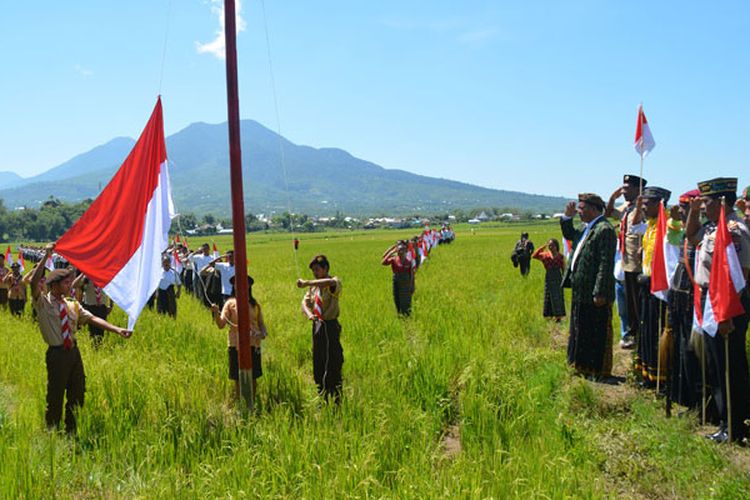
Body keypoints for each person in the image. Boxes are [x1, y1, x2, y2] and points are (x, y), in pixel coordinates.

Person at [30, 244, 131, 434]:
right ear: (54, 285)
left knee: (78, 392)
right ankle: (52, 431)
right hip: (57, 354)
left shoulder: (72, 304)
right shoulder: (43, 303)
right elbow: (34, 283)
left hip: (73, 353)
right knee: (56, 394)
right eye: (66, 283)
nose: (70, 286)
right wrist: (46, 256)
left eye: (70, 282)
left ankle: (71, 429)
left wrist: (116, 329)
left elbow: (92, 318)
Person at [686, 177, 750, 443]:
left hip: (728, 304)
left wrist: (726, 314)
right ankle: (726, 421)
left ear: (722, 202)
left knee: (729, 365)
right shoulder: (713, 227)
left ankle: (734, 426)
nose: (703, 207)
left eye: (707, 202)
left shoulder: (734, 230)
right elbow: (691, 236)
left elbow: (740, 276)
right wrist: (692, 211)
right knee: (715, 362)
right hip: (711, 301)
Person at [560, 193, 616, 378]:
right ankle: (580, 365)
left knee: (594, 330)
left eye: (581, 209)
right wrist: (567, 217)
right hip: (581, 290)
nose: (579, 212)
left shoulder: (604, 229)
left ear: (593, 209)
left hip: (593, 292)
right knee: (581, 329)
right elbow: (569, 235)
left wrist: (599, 291)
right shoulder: (587, 228)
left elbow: (605, 263)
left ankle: (596, 369)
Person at [629, 186, 671, 388]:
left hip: (660, 289)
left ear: (659, 204)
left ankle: (660, 379)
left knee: (656, 332)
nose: (643, 208)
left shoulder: (669, 226)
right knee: (646, 330)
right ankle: (647, 375)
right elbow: (634, 227)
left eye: (647, 204)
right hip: (646, 285)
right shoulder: (651, 225)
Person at [667, 189, 703, 409]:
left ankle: (698, 400)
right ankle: (684, 396)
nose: (681, 212)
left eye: (685, 208)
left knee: (693, 350)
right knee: (682, 347)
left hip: (693, 298)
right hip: (679, 295)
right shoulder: (682, 230)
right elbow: (672, 240)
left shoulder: (702, 232)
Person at [606, 175, 647, 349]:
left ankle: (638, 338)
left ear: (638, 190)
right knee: (625, 306)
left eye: (627, 188)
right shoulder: (626, 208)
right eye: (622, 188)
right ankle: (628, 335)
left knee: (636, 306)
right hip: (623, 263)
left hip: (637, 265)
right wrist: (612, 199)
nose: (623, 191)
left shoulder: (644, 209)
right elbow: (608, 214)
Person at [211, 275, 266, 400]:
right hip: (235, 344)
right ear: (234, 286)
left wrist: (263, 333)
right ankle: (240, 404)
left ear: (249, 285)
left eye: (243, 282)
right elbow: (221, 324)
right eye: (236, 283)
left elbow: (261, 324)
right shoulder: (230, 304)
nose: (240, 285)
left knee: (253, 376)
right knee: (237, 377)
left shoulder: (255, 304)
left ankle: (252, 402)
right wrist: (215, 312)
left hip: (253, 343)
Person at [298, 255, 344, 403]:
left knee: (333, 361)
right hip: (317, 326)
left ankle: (336, 396)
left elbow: (329, 282)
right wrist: (310, 314)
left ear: (325, 269)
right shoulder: (313, 288)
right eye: (313, 271)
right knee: (318, 361)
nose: (315, 273)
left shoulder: (334, 282)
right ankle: (322, 394)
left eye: (317, 270)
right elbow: (304, 303)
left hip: (330, 326)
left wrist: (307, 283)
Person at [71, 273, 113, 347]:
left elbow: (111, 290)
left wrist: (111, 305)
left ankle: (99, 347)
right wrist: (83, 273)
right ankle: (94, 347)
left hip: (102, 307)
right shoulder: (86, 277)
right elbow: (74, 285)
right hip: (90, 307)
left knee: (101, 330)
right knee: (92, 331)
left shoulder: (104, 276)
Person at [532, 238, 566, 321]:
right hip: (549, 276)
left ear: (556, 246)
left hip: (558, 277)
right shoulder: (545, 255)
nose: (551, 247)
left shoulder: (560, 256)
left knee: (558, 296)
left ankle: (559, 316)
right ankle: (548, 315)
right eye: (550, 245)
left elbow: (563, 268)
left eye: (553, 245)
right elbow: (534, 255)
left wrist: (565, 278)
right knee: (548, 295)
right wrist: (543, 247)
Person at [381, 241, 415, 316]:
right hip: (396, 281)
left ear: (406, 251)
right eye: (399, 250)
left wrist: (412, 286)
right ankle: (399, 314)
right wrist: (391, 251)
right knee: (397, 298)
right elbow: (383, 262)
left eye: (402, 250)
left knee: (406, 300)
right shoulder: (394, 259)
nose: (401, 252)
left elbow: (412, 275)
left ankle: (407, 315)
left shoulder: (409, 262)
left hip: (406, 283)